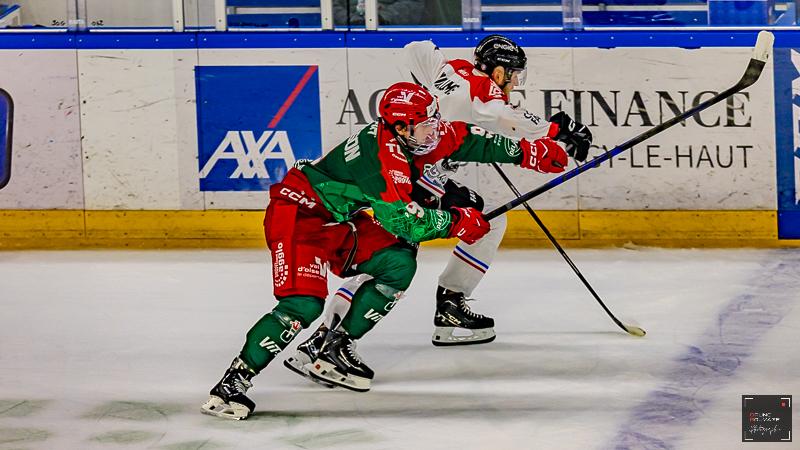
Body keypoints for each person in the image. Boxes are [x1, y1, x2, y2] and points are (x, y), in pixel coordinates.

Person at [203, 81, 569, 420]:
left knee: (397, 262)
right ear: (401, 128)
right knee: (303, 305)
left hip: (338, 220)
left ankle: (334, 347)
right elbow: (405, 222)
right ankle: (231, 385)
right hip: (298, 216)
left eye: (433, 120)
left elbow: (467, 138)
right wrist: (457, 222)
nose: (434, 130)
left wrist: (529, 152)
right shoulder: (381, 160)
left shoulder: (415, 135)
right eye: (425, 125)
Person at [285, 36, 593, 380]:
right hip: (409, 184)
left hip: (424, 177)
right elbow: (502, 114)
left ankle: (450, 304)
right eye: (513, 74)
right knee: (388, 257)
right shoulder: (485, 92)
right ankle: (322, 341)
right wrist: (556, 130)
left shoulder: (451, 70)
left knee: (489, 218)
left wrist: (437, 88)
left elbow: (416, 49)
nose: (515, 82)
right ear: (498, 71)